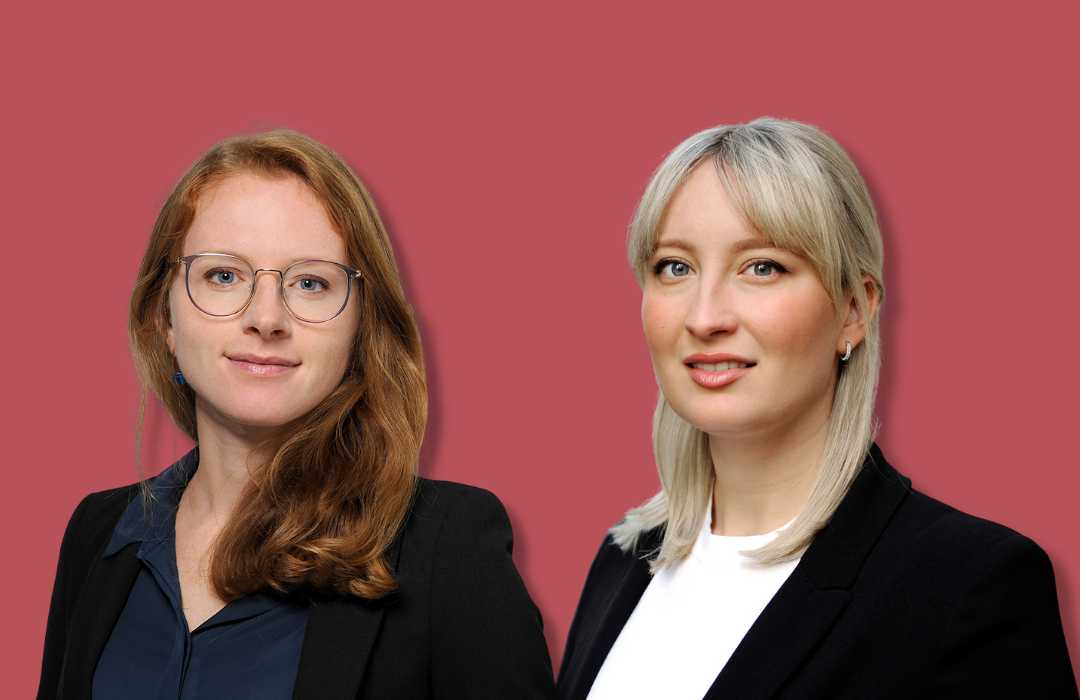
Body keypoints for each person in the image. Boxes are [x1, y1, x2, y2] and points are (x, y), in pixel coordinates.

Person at [557, 118, 1077, 699]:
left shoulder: (968, 586)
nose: (704, 318)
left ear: (854, 309)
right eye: (675, 267)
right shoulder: (625, 558)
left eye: (762, 267)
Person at [38, 129, 555, 699]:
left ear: (361, 327)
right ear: (164, 317)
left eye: (310, 283)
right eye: (223, 275)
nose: (266, 318)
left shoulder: (448, 547)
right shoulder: (99, 533)